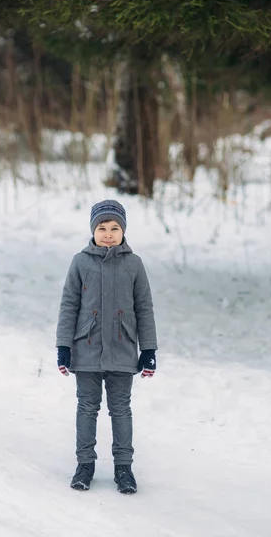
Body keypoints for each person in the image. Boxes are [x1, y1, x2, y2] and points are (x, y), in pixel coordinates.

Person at [56, 199, 157, 494]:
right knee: (87, 408)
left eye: (115, 227)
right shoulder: (80, 262)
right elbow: (68, 307)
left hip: (123, 349)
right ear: (93, 230)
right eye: (102, 227)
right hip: (85, 349)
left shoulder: (134, 264)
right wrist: (64, 346)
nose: (109, 233)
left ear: (123, 231)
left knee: (121, 409)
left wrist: (148, 349)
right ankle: (84, 464)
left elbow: (144, 308)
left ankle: (123, 468)